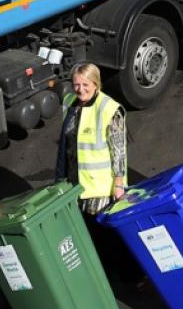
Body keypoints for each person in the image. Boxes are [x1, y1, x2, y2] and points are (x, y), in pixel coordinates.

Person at [56, 62, 140, 283]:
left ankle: (134, 277)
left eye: (85, 84)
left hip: (101, 188)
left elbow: (119, 152)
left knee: (111, 236)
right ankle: (107, 277)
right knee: (92, 236)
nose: (80, 89)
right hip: (77, 186)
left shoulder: (109, 109)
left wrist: (119, 185)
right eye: (76, 84)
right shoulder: (70, 103)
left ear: (96, 84)